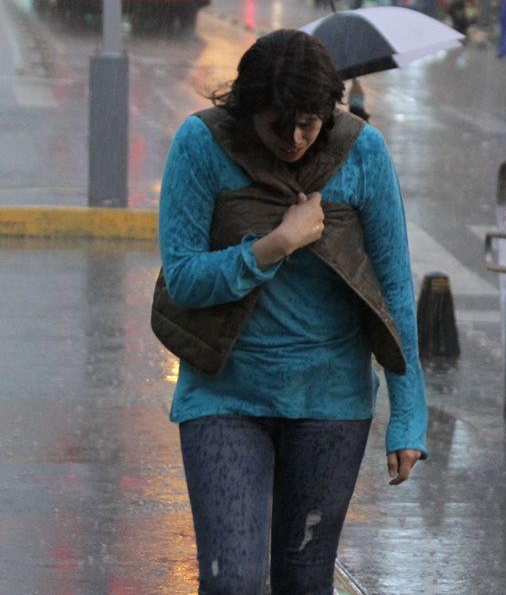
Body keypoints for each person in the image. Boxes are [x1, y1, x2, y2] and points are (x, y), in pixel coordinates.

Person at [152, 29, 427, 593]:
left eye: (311, 121)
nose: (297, 138)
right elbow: (181, 279)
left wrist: (408, 412)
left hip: (331, 402)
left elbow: (394, 288)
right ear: (247, 107)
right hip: (225, 395)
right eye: (280, 124)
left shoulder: (362, 151)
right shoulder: (201, 146)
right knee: (233, 581)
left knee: (305, 581)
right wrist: (272, 246)